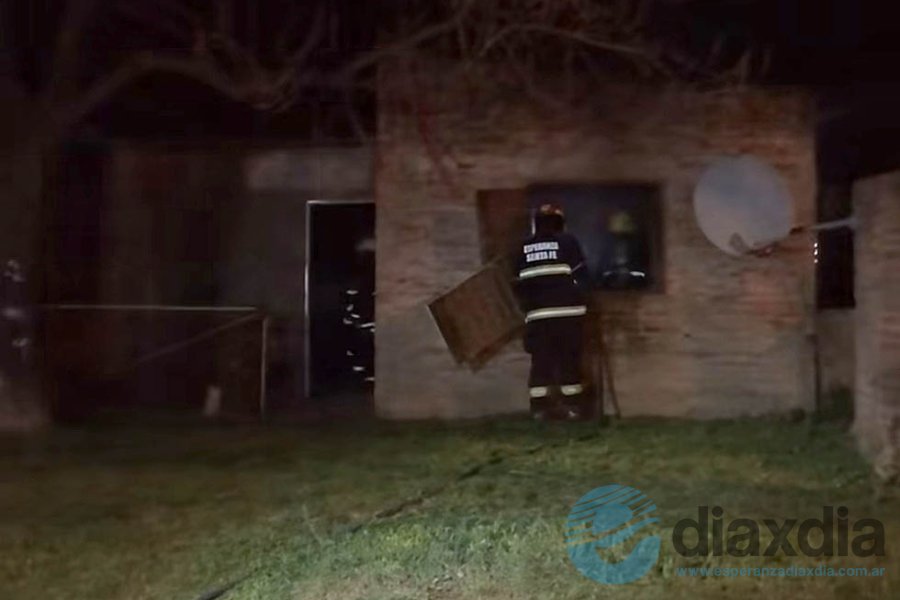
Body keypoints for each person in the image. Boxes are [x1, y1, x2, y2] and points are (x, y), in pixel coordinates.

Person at [515, 204, 589, 420]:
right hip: (569, 314)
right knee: (569, 360)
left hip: (538, 317)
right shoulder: (567, 242)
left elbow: (517, 283)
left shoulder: (522, 247)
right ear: (560, 223)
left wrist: (528, 306)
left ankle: (539, 408)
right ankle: (573, 407)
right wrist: (584, 296)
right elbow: (581, 275)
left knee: (541, 362)